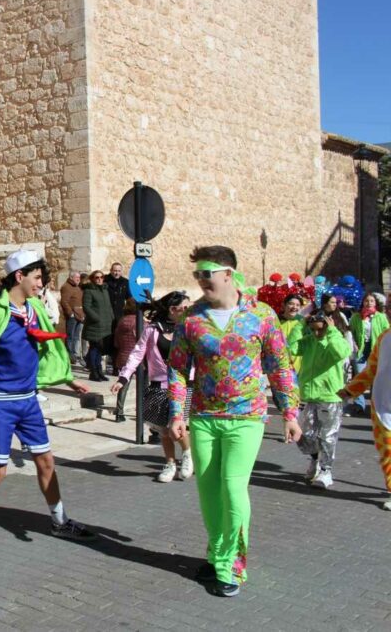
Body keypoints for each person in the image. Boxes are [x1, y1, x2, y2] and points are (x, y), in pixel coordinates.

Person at [168, 245, 300, 597]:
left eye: (205, 274)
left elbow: (280, 366)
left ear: (227, 273)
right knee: (209, 492)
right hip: (204, 418)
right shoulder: (192, 319)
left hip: (247, 416)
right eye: (196, 274)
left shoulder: (262, 315)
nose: (199, 280)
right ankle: (216, 553)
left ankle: (232, 564)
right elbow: (178, 369)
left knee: (232, 487)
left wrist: (289, 412)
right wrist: (176, 413)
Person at [0, 250, 93, 557]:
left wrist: (68, 379)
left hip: (28, 401)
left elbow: (51, 348)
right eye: (37, 277)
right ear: (19, 277)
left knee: (46, 461)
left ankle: (59, 520)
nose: (41, 283)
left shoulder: (34, 309)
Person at [111, 292, 193, 481]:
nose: (189, 311)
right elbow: (137, 355)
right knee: (163, 430)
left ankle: (187, 454)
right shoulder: (152, 330)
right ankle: (170, 464)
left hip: (183, 386)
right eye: (185, 307)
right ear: (173, 310)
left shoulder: (189, 329)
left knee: (177, 425)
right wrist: (123, 378)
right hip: (159, 385)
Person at [290, 313, 351, 489]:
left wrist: (330, 331)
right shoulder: (308, 341)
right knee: (303, 433)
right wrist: (300, 325)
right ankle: (315, 460)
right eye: (313, 319)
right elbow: (291, 348)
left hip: (329, 397)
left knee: (327, 436)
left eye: (319, 319)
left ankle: (326, 471)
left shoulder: (335, 339)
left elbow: (342, 352)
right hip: (309, 397)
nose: (315, 323)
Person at [340, 326, 391, 511]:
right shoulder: (385, 336)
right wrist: (350, 390)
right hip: (384, 405)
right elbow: (371, 369)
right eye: (389, 307)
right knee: (388, 453)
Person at [347, 293, 390, 415]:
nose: (369, 303)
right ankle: (359, 404)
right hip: (360, 349)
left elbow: (386, 331)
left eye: (371, 301)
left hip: (376, 349)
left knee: (375, 377)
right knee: (360, 375)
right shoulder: (356, 317)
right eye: (367, 301)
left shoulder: (380, 317)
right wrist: (354, 343)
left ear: (375, 303)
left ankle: (375, 404)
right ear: (363, 302)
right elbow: (351, 331)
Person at [109, 298, 138, 422]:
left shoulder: (121, 321)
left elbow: (116, 342)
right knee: (143, 388)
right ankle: (142, 412)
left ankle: (119, 412)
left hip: (123, 355)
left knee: (123, 385)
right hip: (138, 359)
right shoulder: (140, 322)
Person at [81, 270, 113, 381]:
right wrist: (96, 318)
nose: (99, 279)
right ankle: (93, 372)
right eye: (96, 277)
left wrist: (111, 317)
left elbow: (108, 306)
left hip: (105, 324)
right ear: (92, 279)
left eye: (101, 277)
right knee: (94, 348)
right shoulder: (89, 291)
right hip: (94, 325)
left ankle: (99, 371)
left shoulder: (105, 290)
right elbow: (86, 307)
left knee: (100, 349)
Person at [104, 262, 131, 374]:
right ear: (111, 270)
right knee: (106, 340)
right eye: (115, 270)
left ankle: (116, 366)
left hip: (119, 315)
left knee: (118, 341)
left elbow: (129, 299)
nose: (116, 273)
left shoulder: (125, 282)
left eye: (119, 271)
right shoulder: (105, 280)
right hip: (107, 315)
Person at [59, 271, 85, 363]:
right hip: (73, 316)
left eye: (79, 277)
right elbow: (64, 302)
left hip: (80, 315)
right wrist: (70, 314)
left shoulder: (77, 287)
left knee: (76, 337)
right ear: (71, 277)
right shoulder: (66, 287)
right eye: (76, 277)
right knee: (70, 336)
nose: (78, 279)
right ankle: (69, 355)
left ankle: (74, 355)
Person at [278, 294, 306, 373]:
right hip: (280, 365)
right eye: (291, 304)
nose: (294, 307)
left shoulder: (303, 322)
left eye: (298, 305)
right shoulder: (275, 321)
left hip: (299, 367)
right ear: (284, 305)